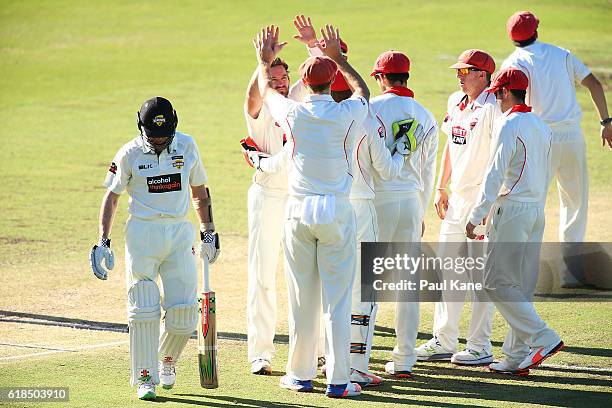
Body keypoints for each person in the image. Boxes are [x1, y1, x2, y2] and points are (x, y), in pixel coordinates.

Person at [252, 24, 369, 398]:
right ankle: (338, 381)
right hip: (336, 211)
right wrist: (337, 57)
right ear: (331, 81)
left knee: (302, 299)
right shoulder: (348, 112)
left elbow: (267, 90)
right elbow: (362, 91)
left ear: (303, 83)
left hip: (298, 213)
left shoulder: (293, 112)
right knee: (336, 301)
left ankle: (300, 374)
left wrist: (262, 60)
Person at [89, 96, 220, 400]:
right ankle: (145, 378)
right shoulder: (129, 153)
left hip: (178, 233)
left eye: (165, 135)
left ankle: (167, 360)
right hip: (143, 233)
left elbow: (199, 190)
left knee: (185, 314)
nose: (160, 141)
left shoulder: (187, 146)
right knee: (144, 308)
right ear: (142, 128)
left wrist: (209, 231)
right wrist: (102, 241)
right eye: (154, 136)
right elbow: (112, 196)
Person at [502, 11, 612, 286]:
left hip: (538, 139)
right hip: (571, 137)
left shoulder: (513, 62)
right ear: (536, 30)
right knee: (575, 203)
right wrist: (607, 122)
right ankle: (570, 274)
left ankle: (527, 271)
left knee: (533, 202)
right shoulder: (561, 54)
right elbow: (594, 85)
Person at [466, 68, 563, 376]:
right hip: (536, 210)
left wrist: (476, 215)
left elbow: (495, 174)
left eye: (496, 93)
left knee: (495, 282)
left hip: (512, 210)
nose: (495, 98)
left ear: (506, 92)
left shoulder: (509, 124)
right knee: (518, 285)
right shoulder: (541, 125)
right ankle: (514, 356)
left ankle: (542, 337)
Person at [416, 50, 500, 366]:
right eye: (459, 70)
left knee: (479, 275)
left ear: (483, 73)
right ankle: (444, 339)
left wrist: (490, 203)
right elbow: (450, 146)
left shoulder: (494, 108)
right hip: (457, 200)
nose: (459, 75)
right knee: (449, 271)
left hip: (482, 201)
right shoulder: (455, 101)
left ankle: (480, 345)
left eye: (465, 70)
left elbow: (500, 158)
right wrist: (441, 186)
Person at [368, 50, 439, 378]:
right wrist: (421, 210)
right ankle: (405, 359)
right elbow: (427, 172)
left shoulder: (372, 109)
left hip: (378, 200)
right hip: (411, 201)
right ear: (405, 77)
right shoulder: (426, 115)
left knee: (366, 281)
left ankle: (358, 355)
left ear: (382, 78)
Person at [243, 47, 293, 375]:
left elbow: (322, 76)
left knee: (304, 277)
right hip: (266, 197)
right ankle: (261, 352)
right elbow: (252, 98)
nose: (281, 83)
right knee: (262, 275)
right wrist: (261, 64)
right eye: (273, 80)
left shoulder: (298, 99)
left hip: (299, 197)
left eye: (284, 77)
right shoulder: (258, 110)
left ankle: (317, 350)